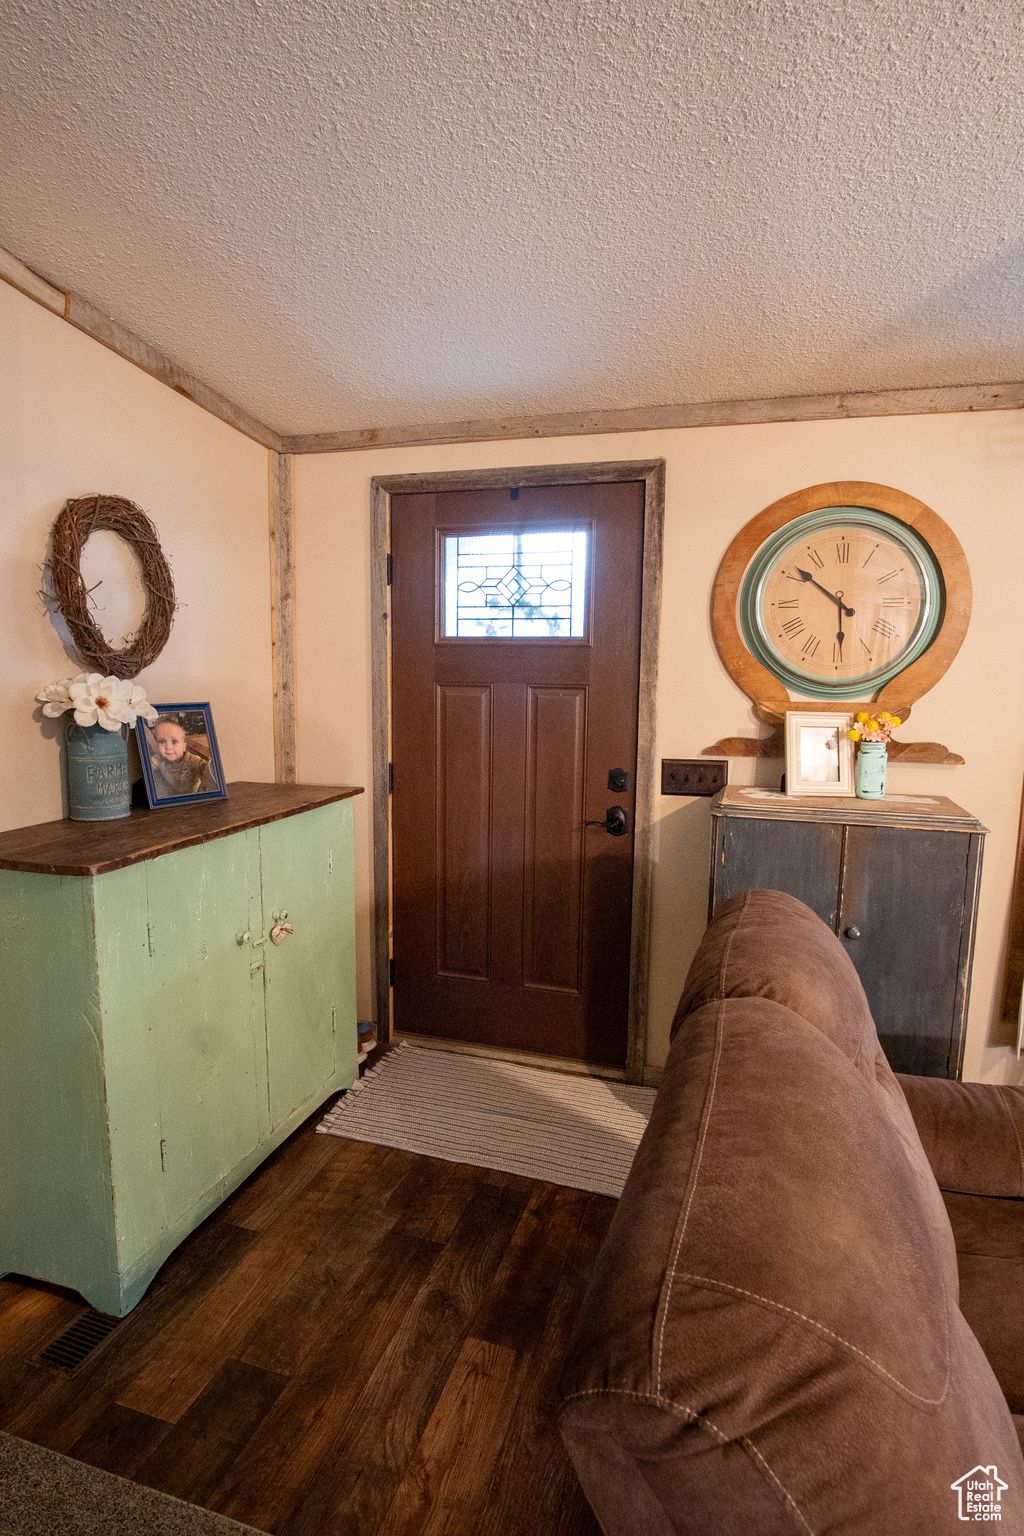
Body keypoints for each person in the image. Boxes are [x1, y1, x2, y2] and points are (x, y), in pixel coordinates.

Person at [147, 716, 218, 797]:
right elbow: (146, 767)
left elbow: (206, 769)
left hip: (193, 794)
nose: (168, 747)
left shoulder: (193, 760)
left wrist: (211, 764)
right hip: (173, 793)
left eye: (174, 742)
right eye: (162, 742)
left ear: (184, 747)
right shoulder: (158, 759)